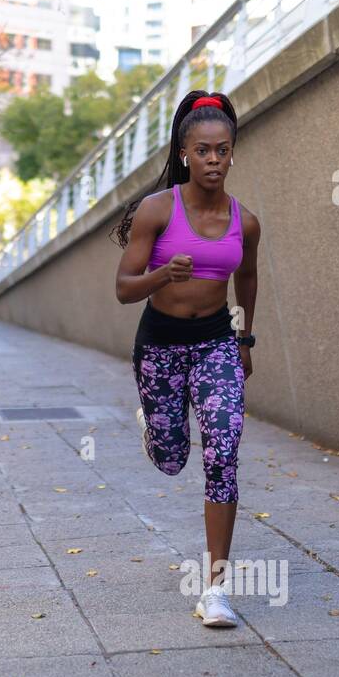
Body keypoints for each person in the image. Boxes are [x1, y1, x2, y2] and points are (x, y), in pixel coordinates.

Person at [111, 90, 261, 627]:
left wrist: (244, 341)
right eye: (203, 151)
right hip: (160, 346)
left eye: (223, 150)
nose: (214, 160)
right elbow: (125, 289)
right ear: (184, 154)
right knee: (173, 458)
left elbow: (246, 280)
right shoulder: (156, 211)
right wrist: (161, 275)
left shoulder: (246, 222)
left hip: (216, 342)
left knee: (223, 451)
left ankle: (216, 589)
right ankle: (157, 427)